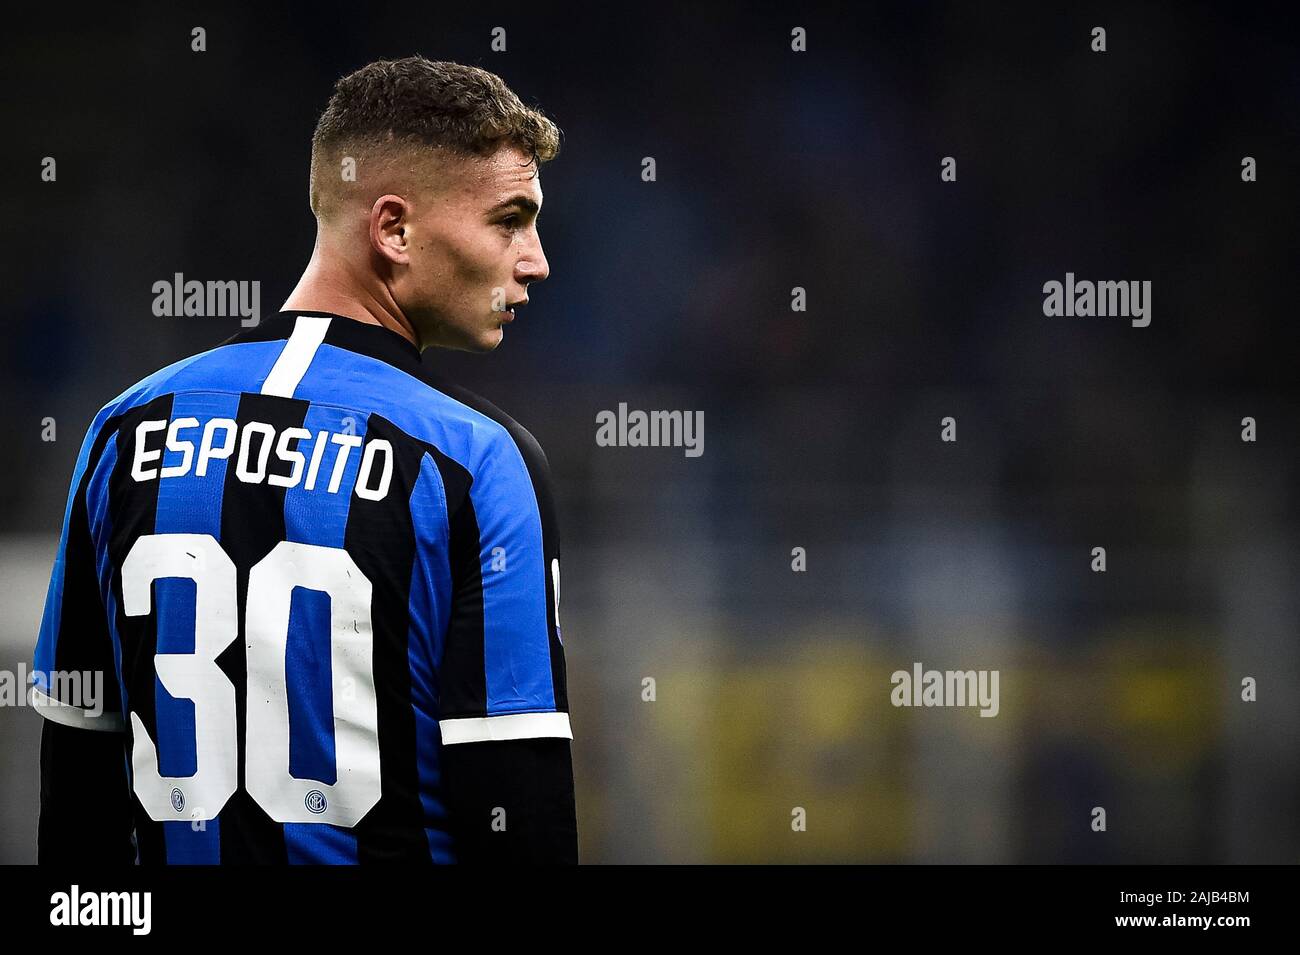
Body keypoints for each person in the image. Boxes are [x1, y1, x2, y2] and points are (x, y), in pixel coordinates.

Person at [30, 56, 577, 864]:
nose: (536, 260)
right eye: (509, 219)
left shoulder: (123, 430)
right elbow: (520, 824)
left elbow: (77, 809)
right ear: (394, 229)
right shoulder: (475, 464)